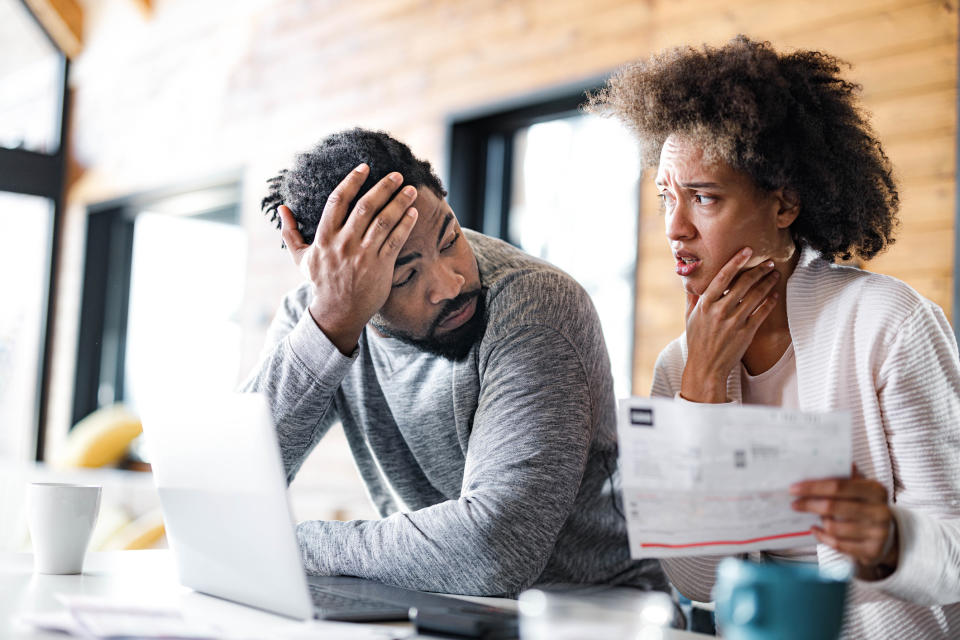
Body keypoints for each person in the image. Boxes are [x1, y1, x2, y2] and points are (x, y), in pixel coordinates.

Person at [590, 36, 960, 637]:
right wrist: (703, 387)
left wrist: (891, 538)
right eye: (666, 197)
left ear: (784, 204)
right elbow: (695, 579)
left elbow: (956, 551)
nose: (675, 228)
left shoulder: (891, 323)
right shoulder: (681, 366)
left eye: (704, 198)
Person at [242, 128, 667, 597]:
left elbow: (494, 551)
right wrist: (330, 325)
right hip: (443, 605)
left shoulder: (535, 308)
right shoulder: (321, 316)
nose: (449, 284)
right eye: (403, 275)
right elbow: (231, 484)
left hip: (593, 616)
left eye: (449, 239)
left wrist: (290, 546)